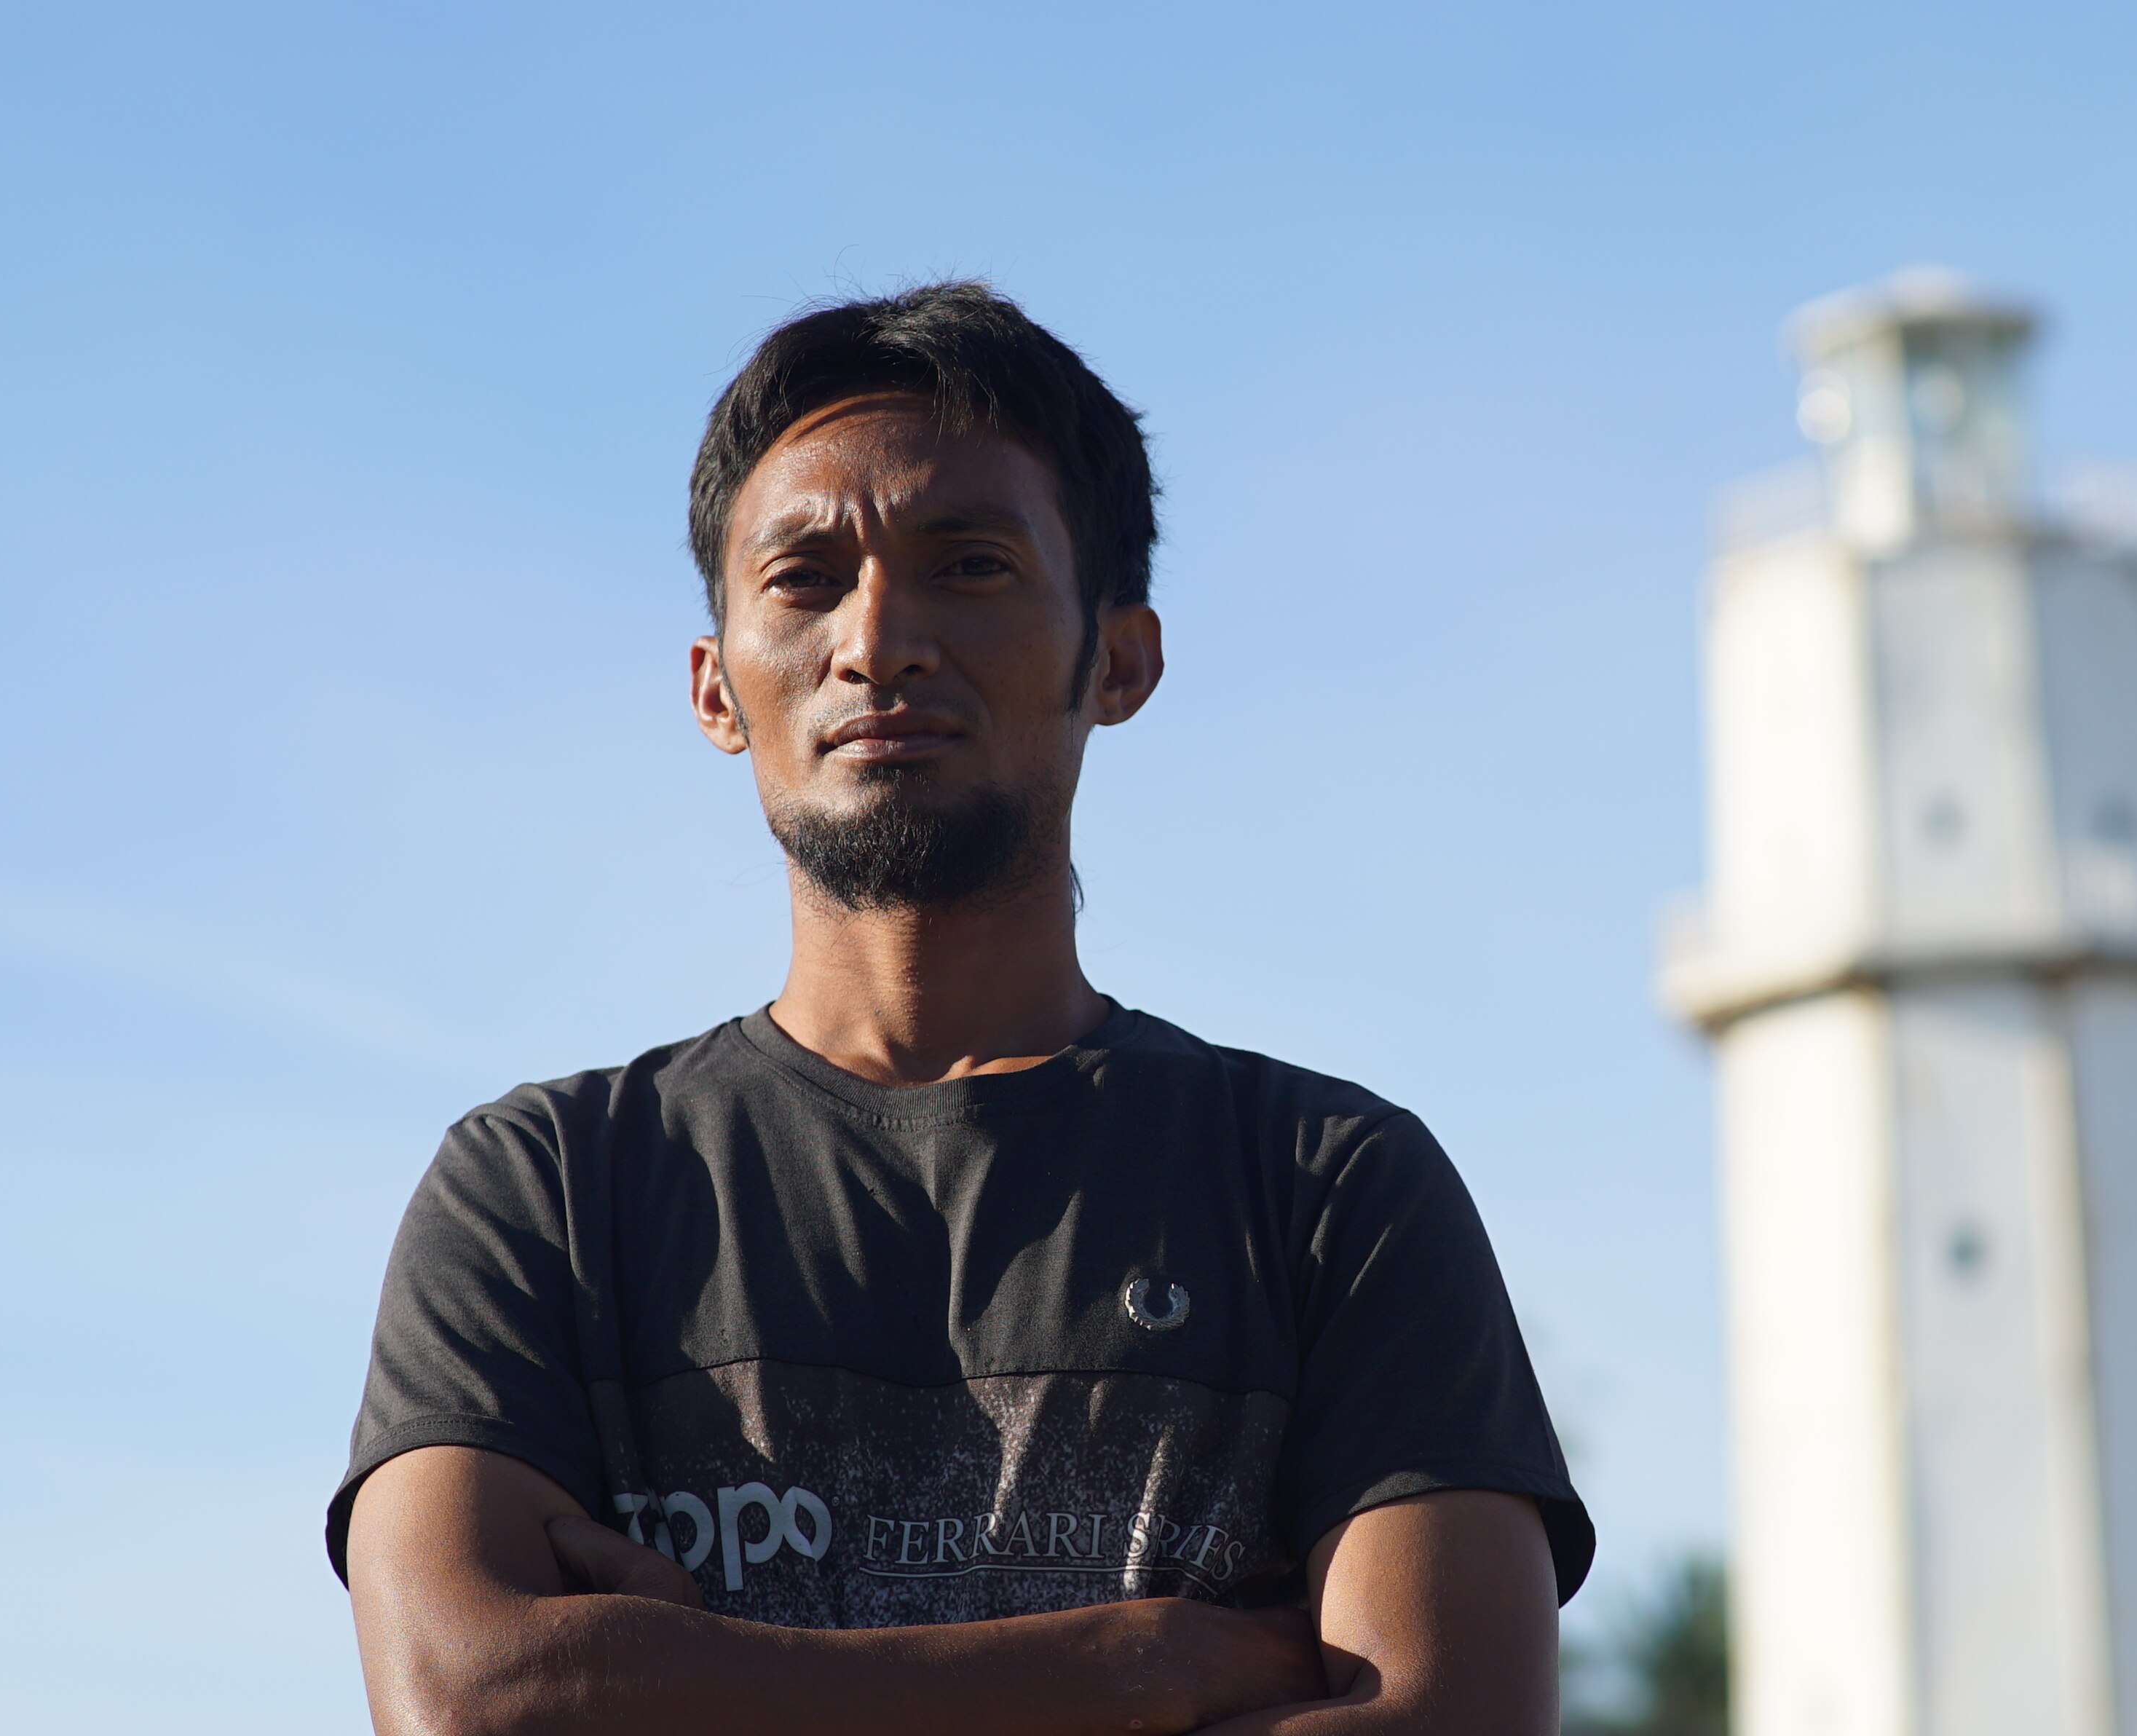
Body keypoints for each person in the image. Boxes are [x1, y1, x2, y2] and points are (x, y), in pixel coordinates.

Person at [328, 282, 1590, 1736]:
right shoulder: (546, 1188)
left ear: (1118, 657)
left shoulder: (1323, 1187)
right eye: (803, 577)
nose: (876, 638)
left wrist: (689, 1683)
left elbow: (1448, 1720)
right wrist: (1135, 1671)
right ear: (713, 686)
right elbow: (473, 1699)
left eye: (970, 564)